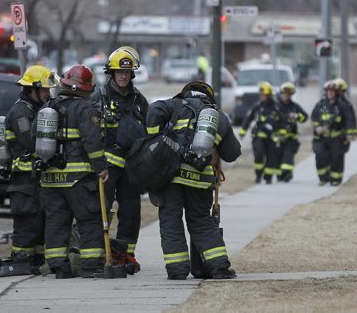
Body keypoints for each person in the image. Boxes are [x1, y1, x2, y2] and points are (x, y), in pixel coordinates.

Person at [146, 81, 241, 280]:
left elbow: (154, 109)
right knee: (201, 221)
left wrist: (154, 138)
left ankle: (177, 270)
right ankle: (219, 267)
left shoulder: (174, 105)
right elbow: (232, 153)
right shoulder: (218, 117)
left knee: (171, 221)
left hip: (172, 176)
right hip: (200, 179)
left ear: (187, 93)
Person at [38, 65, 109, 278]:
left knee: (56, 222)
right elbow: (92, 141)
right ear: (85, 89)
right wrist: (101, 168)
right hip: (78, 179)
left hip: (50, 178)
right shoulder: (84, 109)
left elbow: (34, 135)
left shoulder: (48, 107)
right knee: (89, 220)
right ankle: (91, 266)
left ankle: (59, 267)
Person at [91, 47, 149, 263]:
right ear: (112, 73)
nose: (124, 75)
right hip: (107, 168)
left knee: (132, 212)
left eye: (127, 72)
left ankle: (126, 254)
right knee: (100, 210)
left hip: (132, 168)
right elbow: (90, 134)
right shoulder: (99, 99)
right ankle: (99, 254)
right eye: (119, 72)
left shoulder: (139, 101)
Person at [5, 65, 53, 272]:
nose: (48, 94)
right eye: (44, 90)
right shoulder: (21, 113)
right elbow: (29, 140)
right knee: (27, 224)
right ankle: (21, 262)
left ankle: (36, 264)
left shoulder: (35, 109)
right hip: (24, 181)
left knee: (40, 223)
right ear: (32, 89)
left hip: (35, 180)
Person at [311, 80, 356, 186]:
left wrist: (350, 133)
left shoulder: (342, 105)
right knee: (320, 155)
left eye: (332, 91)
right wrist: (317, 127)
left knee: (337, 158)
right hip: (322, 137)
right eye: (328, 91)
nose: (330, 93)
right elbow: (314, 117)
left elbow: (349, 119)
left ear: (336, 92)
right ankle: (323, 178)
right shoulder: (321, 105)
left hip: (337, 138)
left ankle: (335, 179)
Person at [239, 82, 283, 184]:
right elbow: (249, 119)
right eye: (261, 95)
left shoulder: (276, 107)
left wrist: (280, 133)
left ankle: (268, 178)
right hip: (258, 136)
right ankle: (259, 175)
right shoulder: (257, 106)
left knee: (271, 157)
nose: (262, 97)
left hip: (272, 137)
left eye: (264, 95)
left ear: (269, 95)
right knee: (258, 155)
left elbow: (282, 121)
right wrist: (243, 131)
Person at [276, 82, 309, 182]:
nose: (287, 95)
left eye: (289, 94)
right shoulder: (275, 106)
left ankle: (287, 174)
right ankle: (280, 174)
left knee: (288, 156)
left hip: (291, 138)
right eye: (285, 93)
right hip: (278, 138)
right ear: (281, 94)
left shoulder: (294, 106)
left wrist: (297, 116)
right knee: (278, 157)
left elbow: (305, 117)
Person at [334, 77, 357, 153]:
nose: (341, 93)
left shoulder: (346, 104)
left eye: (343, 91)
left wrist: (351, 133)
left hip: (341, 137)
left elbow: (350, 119)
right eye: (340, 91)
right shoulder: (327, 103)